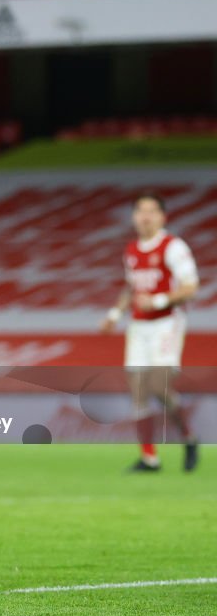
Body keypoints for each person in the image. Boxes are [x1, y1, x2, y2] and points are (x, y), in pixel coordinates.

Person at [100, 192, 200, 472]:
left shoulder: (173, 246)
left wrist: (158, 300)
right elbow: (132, 287)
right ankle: (149, 458)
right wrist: (114, 314)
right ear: (133, 217)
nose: (145, 217)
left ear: (162, 217)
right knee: (137, 391)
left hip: (167, 323)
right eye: (140, 211)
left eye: (151, 211)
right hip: (138, 326)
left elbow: (191, 286)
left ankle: (189, 437)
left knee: (159, 387)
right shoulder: (131, 249)